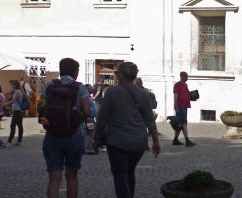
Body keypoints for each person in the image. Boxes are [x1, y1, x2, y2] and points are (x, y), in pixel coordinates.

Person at [94, 61, 161, 198]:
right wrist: (155, 141)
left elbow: (101, 119)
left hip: (117, 141)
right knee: (130, 173)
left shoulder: (112, 93)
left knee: (120, 175)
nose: (116, 75)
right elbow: (150, 120)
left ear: (122, 75)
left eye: (117, 72)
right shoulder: (143, 94)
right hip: (138, 142)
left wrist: (96, 138)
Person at [42, 57, 91, 198]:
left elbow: (41, 108)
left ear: (60, 70)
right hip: (73, 135)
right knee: (72, 176)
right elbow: (87, 112)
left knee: (54, 178)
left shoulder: (49, 86)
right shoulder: (80, 87)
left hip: (52, 134)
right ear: (75, 72)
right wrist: (77, 119)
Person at [172, 71, 195, 147]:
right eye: (186, 76)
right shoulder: (177, 85)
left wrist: (192, 97)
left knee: (180, 123)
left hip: (185, 106)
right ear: (182, 76)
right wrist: (175, 107)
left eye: (187, 76)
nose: (187, 78)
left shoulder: (185, 85)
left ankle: (175, 140)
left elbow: (186, 94)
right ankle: (187, 141)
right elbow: (175, 96)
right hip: (180, 107)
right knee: (183, 123)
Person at [6, 79, 26, 146]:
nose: (11, 85)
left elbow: (13, 101)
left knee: (12, 126)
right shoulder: (19, 91)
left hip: (17, 111)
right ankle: (19, 141)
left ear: (14, 85)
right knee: (20, 126)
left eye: (12, 84)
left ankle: (9, 142)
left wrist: (4, 104)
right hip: (20, 111)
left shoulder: (17, 92)